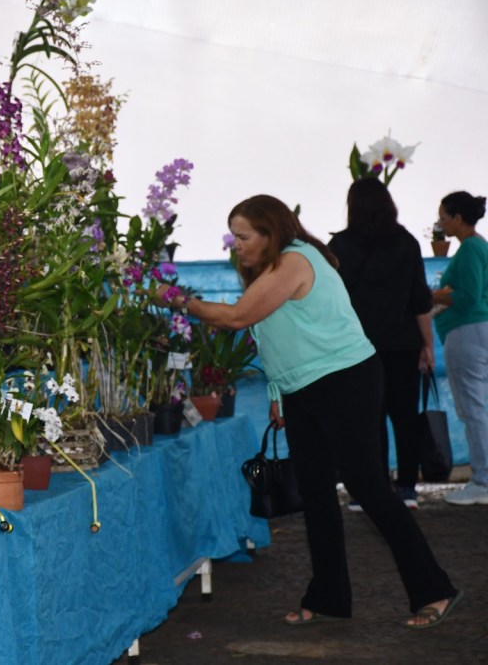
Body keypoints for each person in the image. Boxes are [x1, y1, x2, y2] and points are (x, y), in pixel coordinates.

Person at [155, 194, 460, 628]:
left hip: (345, 380)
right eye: (234, 237)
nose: (235, 245)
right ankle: (329, 597)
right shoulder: (269, 269)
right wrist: (279, 392)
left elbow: (238, 318)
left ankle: (436, 590)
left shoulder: (296, 260)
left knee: (368, 486)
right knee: (316, 492)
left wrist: (180, 301)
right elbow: (274, 332)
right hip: (304, 388)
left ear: (270, 233)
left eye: (243, 236)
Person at [328, 178, 433, 510]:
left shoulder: (340, 246)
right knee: (405, 417)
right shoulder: (407, 242)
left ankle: (372, 490)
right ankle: (407, 489)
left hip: (358, 348)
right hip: (403, 344)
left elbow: (333, 302)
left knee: (367, 419)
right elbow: (421, 298)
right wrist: (427, 344)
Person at [431, 191, 488, 506]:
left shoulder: (469, 250)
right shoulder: (479, 247)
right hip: (478, 330)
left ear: (456, 217)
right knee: (477, 407)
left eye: (443, 215)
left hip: (466, 331)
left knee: (472, 409)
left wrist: (433, 296)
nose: (440, 221)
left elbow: (467, 295)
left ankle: (482, 479)